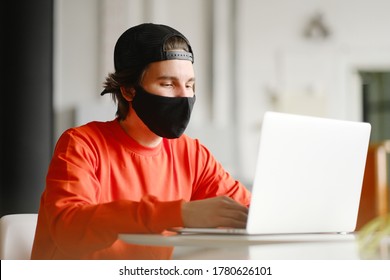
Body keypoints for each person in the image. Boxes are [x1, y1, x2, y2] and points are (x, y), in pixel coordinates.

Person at [31, 23, 251, 260]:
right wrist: (178, 213)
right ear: (128, 90)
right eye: (168, 84)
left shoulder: (191, 153)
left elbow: (250, 212)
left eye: (189, 85)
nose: (184, 96)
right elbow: (69, 230)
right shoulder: (81, 145)